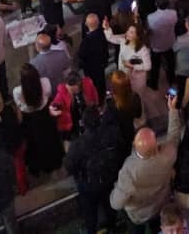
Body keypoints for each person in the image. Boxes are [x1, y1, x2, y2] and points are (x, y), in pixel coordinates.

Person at [110, 95, 182, 234]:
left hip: (138, 215)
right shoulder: (167, 155)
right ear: (156, 145)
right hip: (160, 205)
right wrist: (172, 110)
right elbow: (174, 136)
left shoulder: (129, 171)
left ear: (134, 145)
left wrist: (114, 191)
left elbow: (116, 204)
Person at [65, 107, 122, 234]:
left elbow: (69, 166)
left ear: (83, 123)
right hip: (108, 180)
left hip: (88, 185)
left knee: (90, 214)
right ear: (100, 120)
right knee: (110, 208)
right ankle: (113, 227)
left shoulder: (77, 144)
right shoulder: (111, 134)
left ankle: (92, 230)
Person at [13, 63, 64, 175]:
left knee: (34, 145)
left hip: (29, 120)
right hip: (44, 116)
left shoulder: (17, 91)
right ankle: (52, 163)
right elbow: (49, 94)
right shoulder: (45, 82)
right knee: (49, 140)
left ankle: (37, 167)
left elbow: (19, 107)